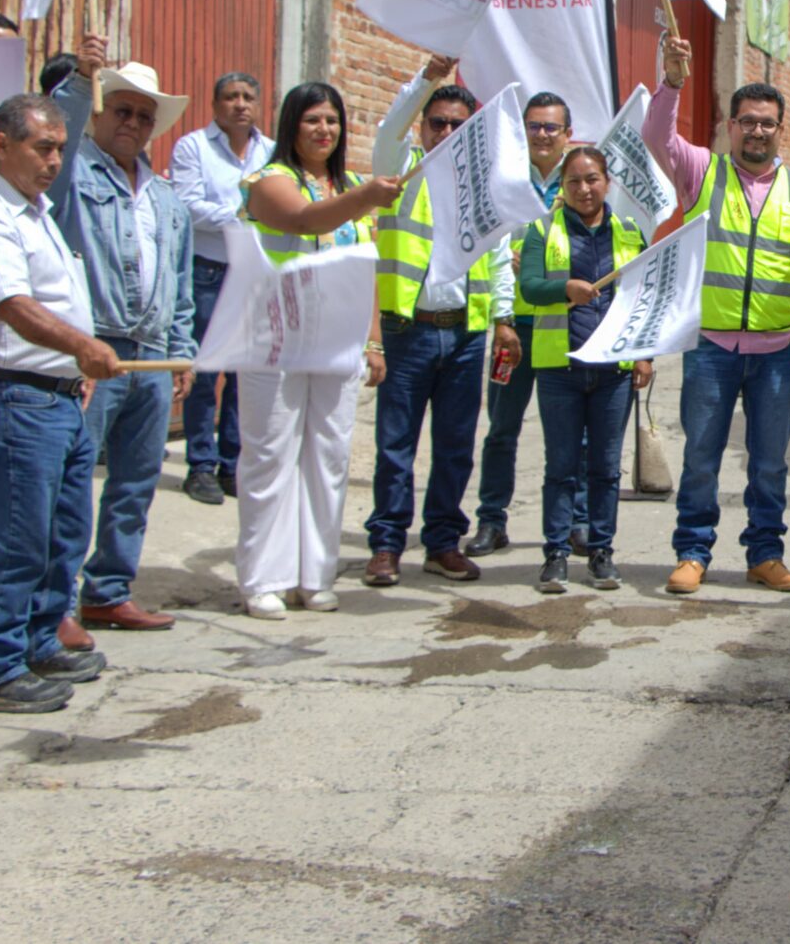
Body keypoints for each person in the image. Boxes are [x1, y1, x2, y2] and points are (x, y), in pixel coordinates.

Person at [0, 91, 124, 713]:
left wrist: (80, 366)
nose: (53, 160)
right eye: (42, 147)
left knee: (63, 534)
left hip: (59, 397)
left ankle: (38, 641)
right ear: (2, 144)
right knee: (18, 540)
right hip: (15, 397)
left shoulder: (35, 212)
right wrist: (82, 346)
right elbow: (13, 308)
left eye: (59, 149)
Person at [647, 33, 790, 595]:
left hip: (776, 354)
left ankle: (765, 554)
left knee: (770, 464)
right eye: (747, 121)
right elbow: (656, 138)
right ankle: (693, 552)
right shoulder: (702, 172)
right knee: (701, 458)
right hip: (712, 351)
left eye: (767, 123)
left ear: (781, 130)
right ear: (731, 127)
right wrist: (673, 82)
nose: (757, 131)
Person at [235, 82, 400, 620]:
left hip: (338, 342)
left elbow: (366, 267)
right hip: (275, 341)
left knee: (328, 459)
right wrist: (366, 198)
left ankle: (316, 574)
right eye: (312, 120)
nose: (323, 130)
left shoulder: (351, 184)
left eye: (331, 120)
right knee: (270, 458)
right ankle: (264, 578)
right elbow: (305, 219)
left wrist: (373, 339)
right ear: (291, 125)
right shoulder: (266, 180)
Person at [48, 46, 197, 639]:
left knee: (134, 482)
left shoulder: (164, 198)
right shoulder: (71, 173)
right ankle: (54, 603)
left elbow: (180, 278)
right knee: (71, 482)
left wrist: (180, 348)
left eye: (143, 115)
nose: (132, 123)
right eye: (122, 111)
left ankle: (108, 591)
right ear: (100, 115)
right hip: (94, 352)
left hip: (152, 355)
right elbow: (55, 134)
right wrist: (83, 83)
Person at [362, 57, 514, 589]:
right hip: (408, 330)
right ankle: (385, 545)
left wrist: (503, 320)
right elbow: (388, 127)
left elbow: (496, 257)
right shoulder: (399, 169)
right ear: (423, 129)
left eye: (456, 124)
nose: (446, 132)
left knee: (455, 446)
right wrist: (427, 79)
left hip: (466, 333)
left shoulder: (483, 182)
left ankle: (443, 542)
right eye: (437, 123)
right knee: (395, 444)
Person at [516, 145, 653, 592]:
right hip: (560, 368)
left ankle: (601, 552)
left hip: (613, 369)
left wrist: (645, 354)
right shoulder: (541, 230)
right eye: (573, 181)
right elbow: (531, 286)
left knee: (606, 467)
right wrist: (565, 288)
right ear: (563, 187)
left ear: (607, 181)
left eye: (591, 178)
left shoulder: (630, 232)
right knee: (561, 465)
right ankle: (555, 554)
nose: (583, 188)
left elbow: (647, 298)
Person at [467, 89, 571, 556]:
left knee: (568, 433)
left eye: (552, 127)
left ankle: (575, 523)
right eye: (535, 126)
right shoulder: (503, 179)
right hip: (514, 328)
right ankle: (491, 520)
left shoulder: (581, 180)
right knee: (502, 428)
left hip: (564, 326)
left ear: (567, 134)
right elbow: (490, 251)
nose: (543, 135)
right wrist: (502, 319)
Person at [170, 70, 275, 506]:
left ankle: (233, 463)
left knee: (244, 373)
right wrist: (241, 213)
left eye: (248, 96)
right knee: (205, 369)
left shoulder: (271, 151)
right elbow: (186, 203)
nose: (240, 104)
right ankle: (200, 464)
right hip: (208, 270)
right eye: (231, 97)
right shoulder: (193, 147)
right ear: (216, 106)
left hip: (253, 272)